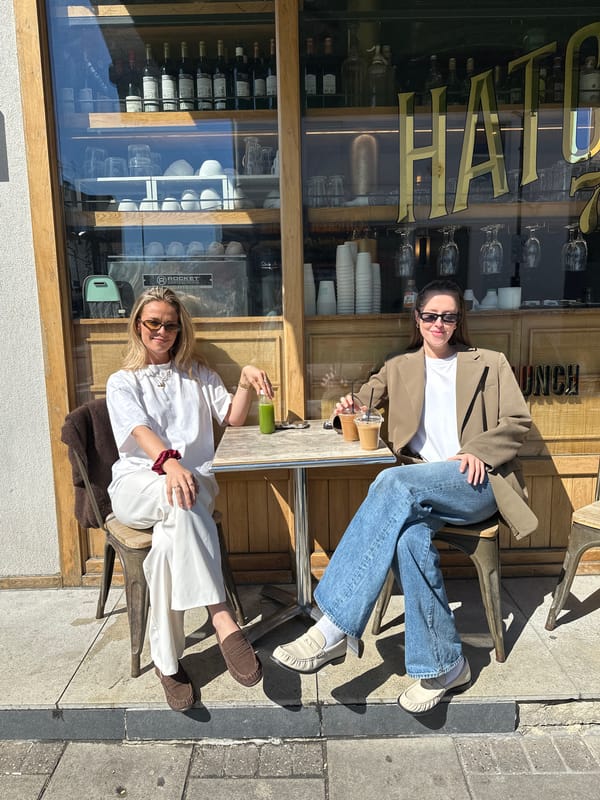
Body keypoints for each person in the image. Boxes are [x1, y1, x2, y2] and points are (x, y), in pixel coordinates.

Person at [272, 279, 537, 715]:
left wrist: (476, 451)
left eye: (448, 316)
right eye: (431, 316)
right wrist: (344, 409)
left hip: (475, 481)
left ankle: (333, 627)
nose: (439, 324)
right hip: (420, 486)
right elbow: (358, 409)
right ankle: (444, 667)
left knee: (391, 483)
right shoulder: (398, 367)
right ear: (418, 319)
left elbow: (517, 421)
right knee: (408, 539)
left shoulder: (489, 363)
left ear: (458, 320)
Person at [106, 286, 273, 711]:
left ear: (181, 330)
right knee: (177, 493)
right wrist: (169, 463)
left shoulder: (198, 374)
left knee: (169, 538)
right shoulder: (122, 382)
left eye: (170, 325)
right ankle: (221, 616)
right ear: (138, 326)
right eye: (153, 323)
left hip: (192, 489)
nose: (162, 331)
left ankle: (165, 660)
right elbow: (139, 431)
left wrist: (246, 380)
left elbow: (231, 419)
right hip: (138, 485)